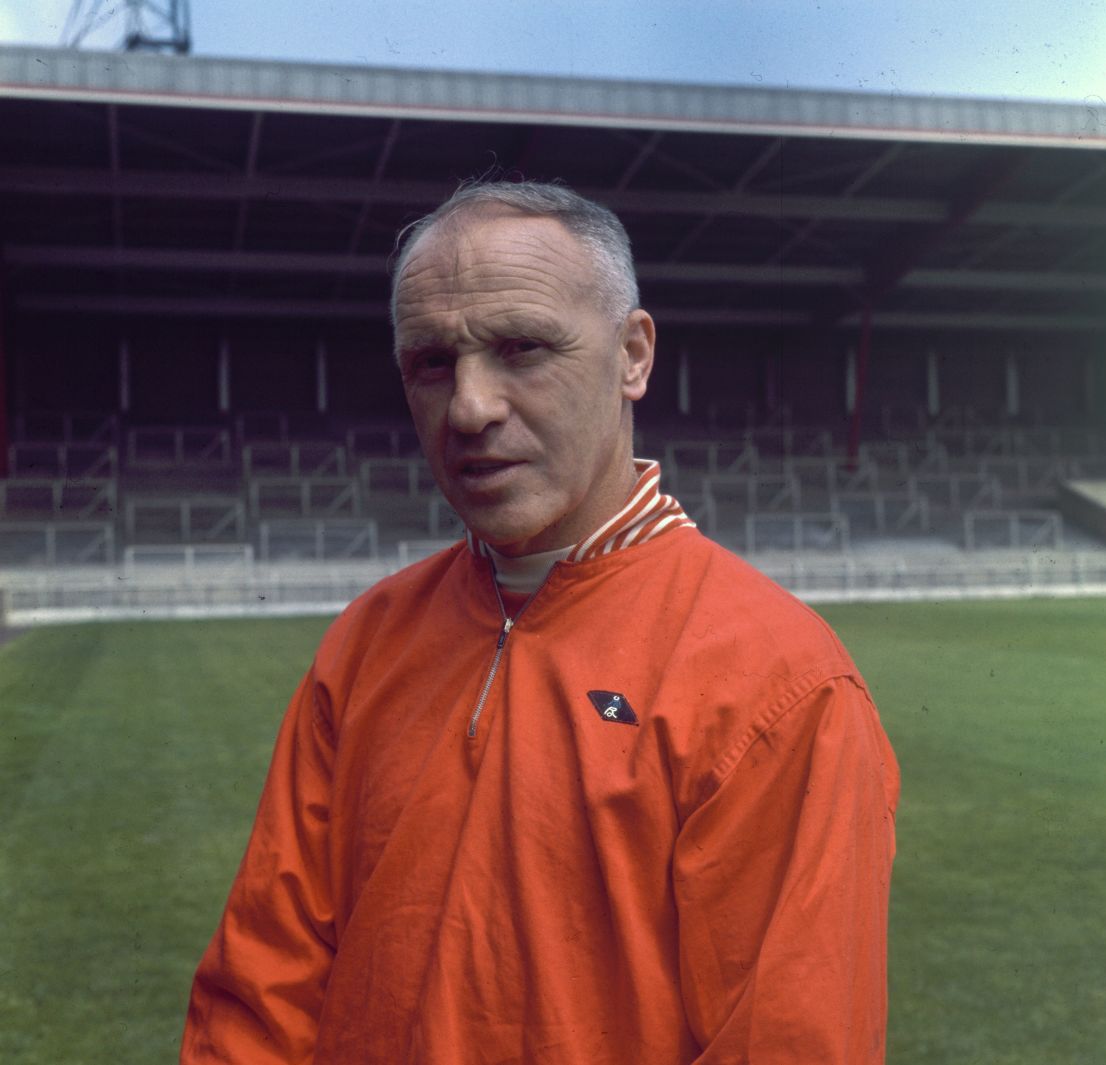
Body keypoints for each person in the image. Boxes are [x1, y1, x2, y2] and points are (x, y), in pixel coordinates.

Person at [181, 181, 900, 1064]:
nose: (471, 408)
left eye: (521, 348)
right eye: (431, 362)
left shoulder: (780, 682)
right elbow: (260, 996)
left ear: (632, 355)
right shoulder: (365, 643)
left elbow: (790, 1042)